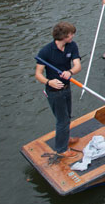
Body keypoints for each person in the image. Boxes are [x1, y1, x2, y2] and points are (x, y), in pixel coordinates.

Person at [34, 21, 82, 158]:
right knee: (62, 120)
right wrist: (49, 82)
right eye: (70, 34)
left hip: (67, 88)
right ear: (63, 36)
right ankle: (62, 150)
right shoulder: (45, 52)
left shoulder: (71, 46)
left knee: (68, 116)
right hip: (54, 92)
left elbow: (77, 65)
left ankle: (66, 138)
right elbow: (38, 74)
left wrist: (70, 72)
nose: (72, 36)